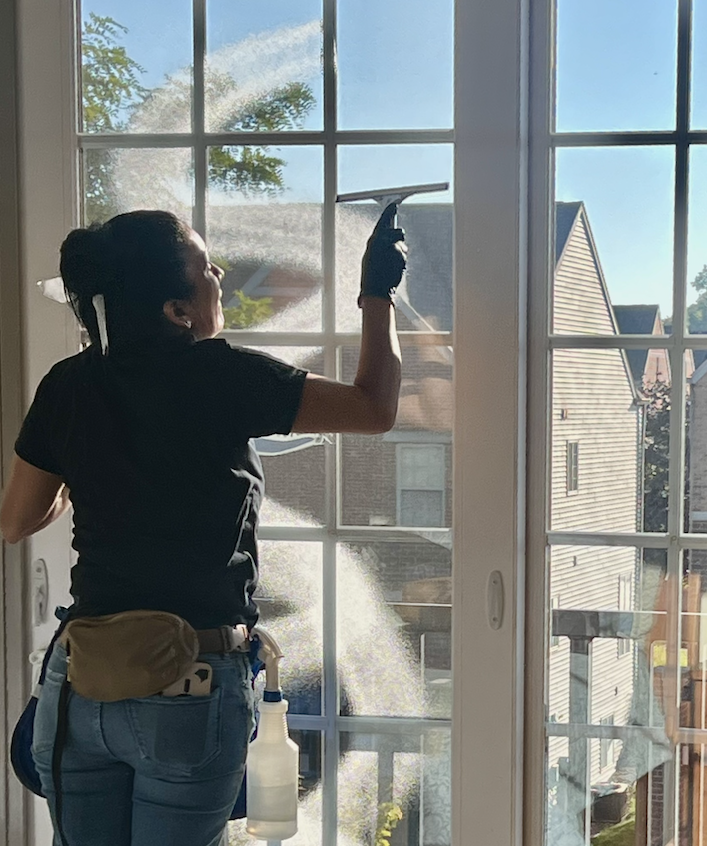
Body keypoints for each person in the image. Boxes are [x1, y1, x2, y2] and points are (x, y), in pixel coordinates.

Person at [0, 204, 406, 846]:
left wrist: (89, 468)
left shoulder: (69, 385)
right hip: (188, 686)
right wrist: (377, 294)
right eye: (204, 266)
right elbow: (374, 408)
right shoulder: (223, 374)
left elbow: (18, 519)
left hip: (82, 687)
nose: (218, 273)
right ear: (177, 310)